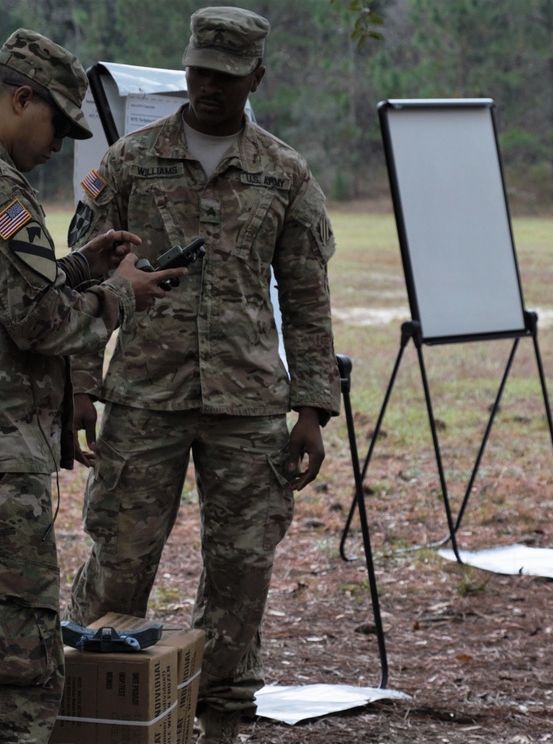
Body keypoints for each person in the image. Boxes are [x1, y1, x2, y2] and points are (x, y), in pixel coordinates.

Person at [0, 28, 185, 743]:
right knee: (11, 677)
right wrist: (121, 296)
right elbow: (42, 324)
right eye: (57, 122)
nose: (59, 144)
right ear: (21, 98)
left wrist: (81, 265)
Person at [64, 7, 341, 743]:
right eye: (198, 73)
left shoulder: (284, 173)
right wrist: (79, 385)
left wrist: (313, 407)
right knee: (118, 560)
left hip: (249, 404)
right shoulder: (130, 161)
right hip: (144, 397)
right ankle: (92, 703)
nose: (208, 87)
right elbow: (86, 282)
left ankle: (222, 716)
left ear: (256, 75)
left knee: (240, 574)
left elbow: (308, 293)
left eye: (225, 75)